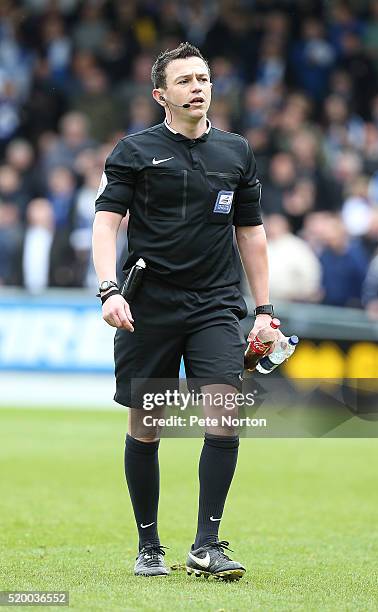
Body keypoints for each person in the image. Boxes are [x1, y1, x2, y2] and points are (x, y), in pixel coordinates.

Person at [92, 42, 273, 580]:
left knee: (225, 413)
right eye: (185, 81)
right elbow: (105, 223)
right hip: (146, 306)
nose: (198, 87)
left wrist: (264, 309)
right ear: (161, 95)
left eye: (204, 78)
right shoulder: (133, 150)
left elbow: (252, 233)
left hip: (215, 304)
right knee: (147, 427)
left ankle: (207, 543)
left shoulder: (237, 152)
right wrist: (109, 290)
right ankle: (149, 547)